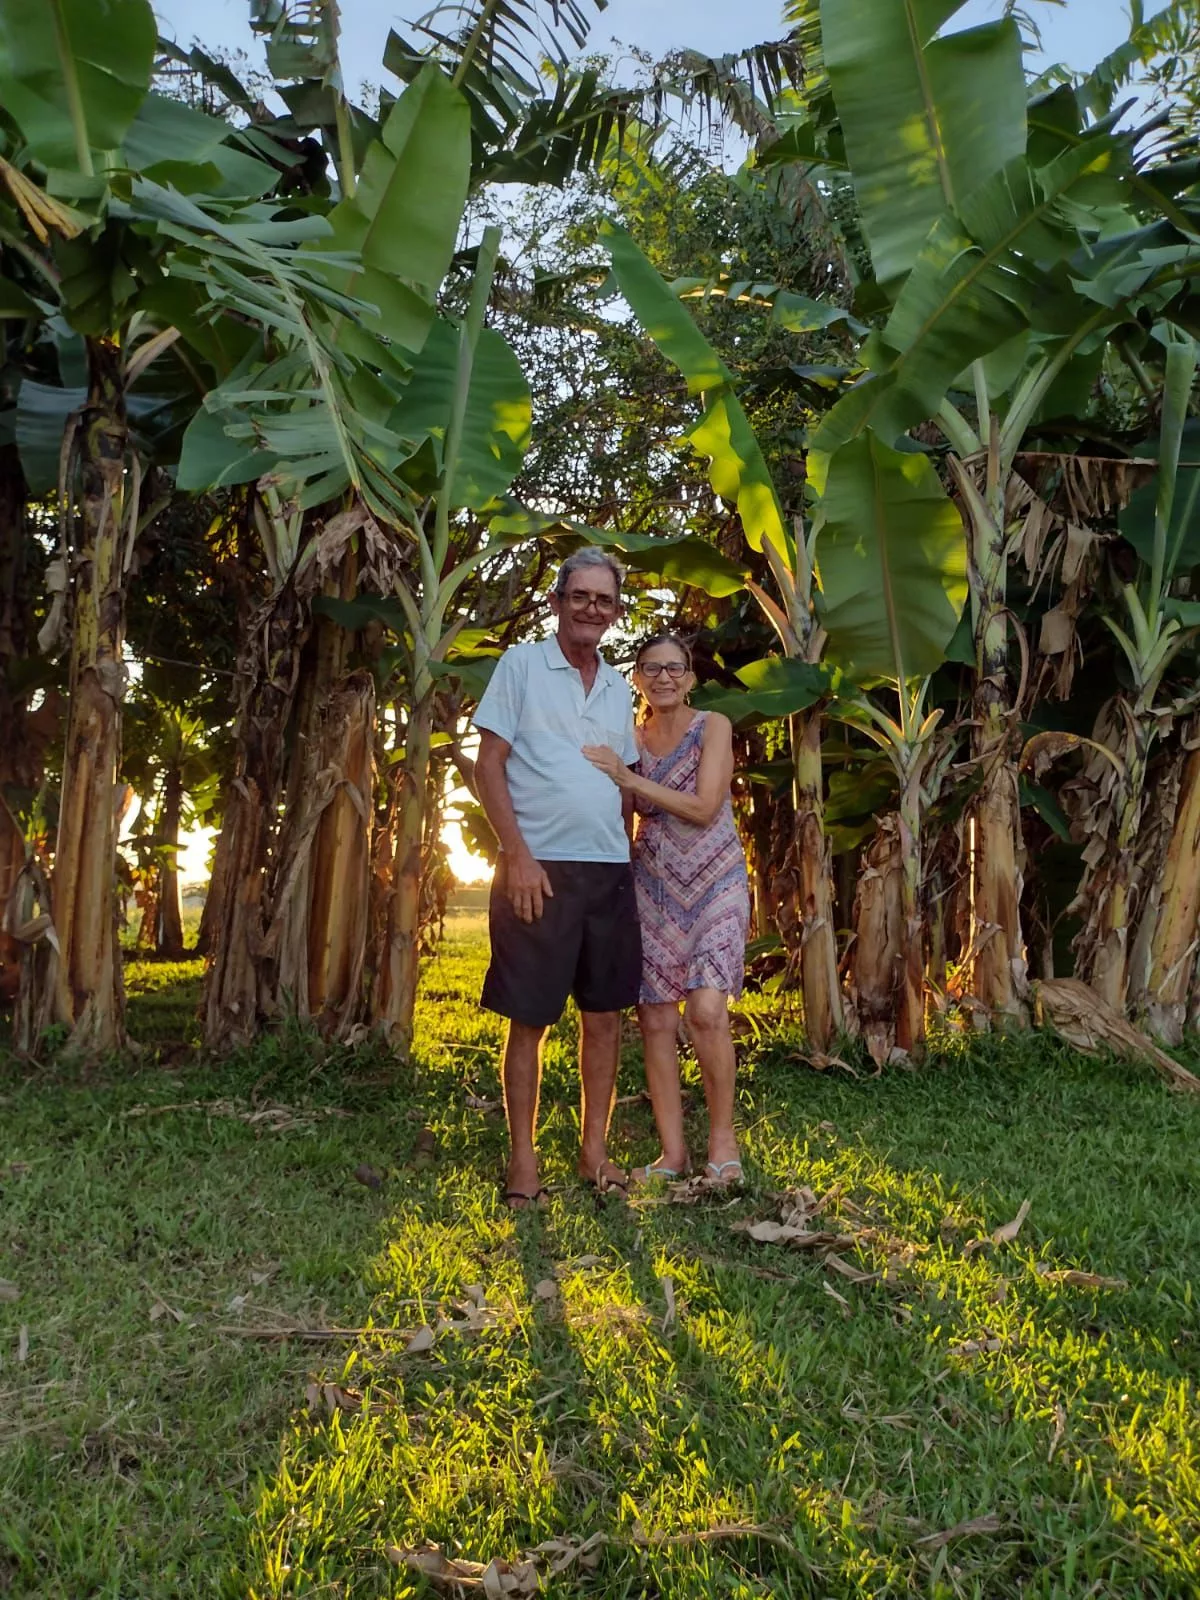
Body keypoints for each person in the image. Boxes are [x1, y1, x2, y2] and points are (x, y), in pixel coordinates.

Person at [473, 549, 642, 1209]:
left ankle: (594, 1152)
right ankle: (522, 1161)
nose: (591, 609)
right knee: (531, 1019)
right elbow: (490, 765)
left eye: (603, 600)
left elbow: (624, 783)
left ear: (614, 611)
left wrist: (624, 852)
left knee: (604, 1020)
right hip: (537, 869)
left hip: (608, 872)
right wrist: (516, 853)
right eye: (580, 596)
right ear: (558, 601)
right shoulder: (521, 665)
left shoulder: (619, 687)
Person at [583, 633, 749, 1187]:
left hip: (715, 877)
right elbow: (622, 811)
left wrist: (628, 779)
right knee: (654, 1016)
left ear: (692, 676)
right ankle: (672, 1154)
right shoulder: (629, 740)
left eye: (675, 668)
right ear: (637, 679)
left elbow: (704, 807)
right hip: (652, 883)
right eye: (651, 668)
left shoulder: (713, 726)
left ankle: (722, 1140)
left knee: (704, 1007)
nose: (664, 678)